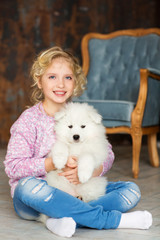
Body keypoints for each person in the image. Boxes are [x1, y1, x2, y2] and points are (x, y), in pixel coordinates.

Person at [4, 46, 152, 238]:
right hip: (39, 197)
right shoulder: (29, 120)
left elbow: (107, 152)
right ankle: (111, 220)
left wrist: (94, 170)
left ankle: (56, 220)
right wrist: (49, 164)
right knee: (26, 188)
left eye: (68, 77)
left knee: (130, 190)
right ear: (39, 82)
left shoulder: (81, 113)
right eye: (52, 77)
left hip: (80, 189)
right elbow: (13, 167)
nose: (61, 84)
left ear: (75, 82)